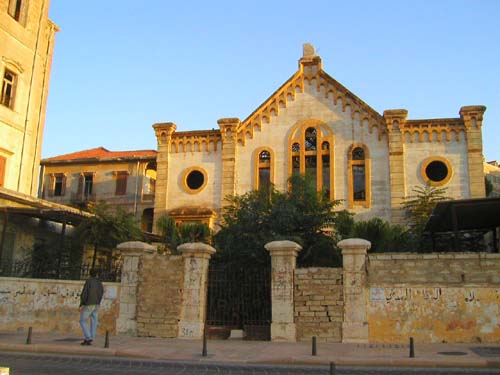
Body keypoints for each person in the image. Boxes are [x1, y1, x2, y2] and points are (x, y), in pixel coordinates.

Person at [79, 269, 104, 345]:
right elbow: (101, 292)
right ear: (96, 274)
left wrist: (82, 303)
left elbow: (85, 293)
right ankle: (92, 337)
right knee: (94, 320)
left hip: (89, 303)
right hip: (97, 303)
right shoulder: (99, 282)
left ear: (90, 274)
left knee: (82, 320)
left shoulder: (89, 281)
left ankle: (88, 337)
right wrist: (98, 301)